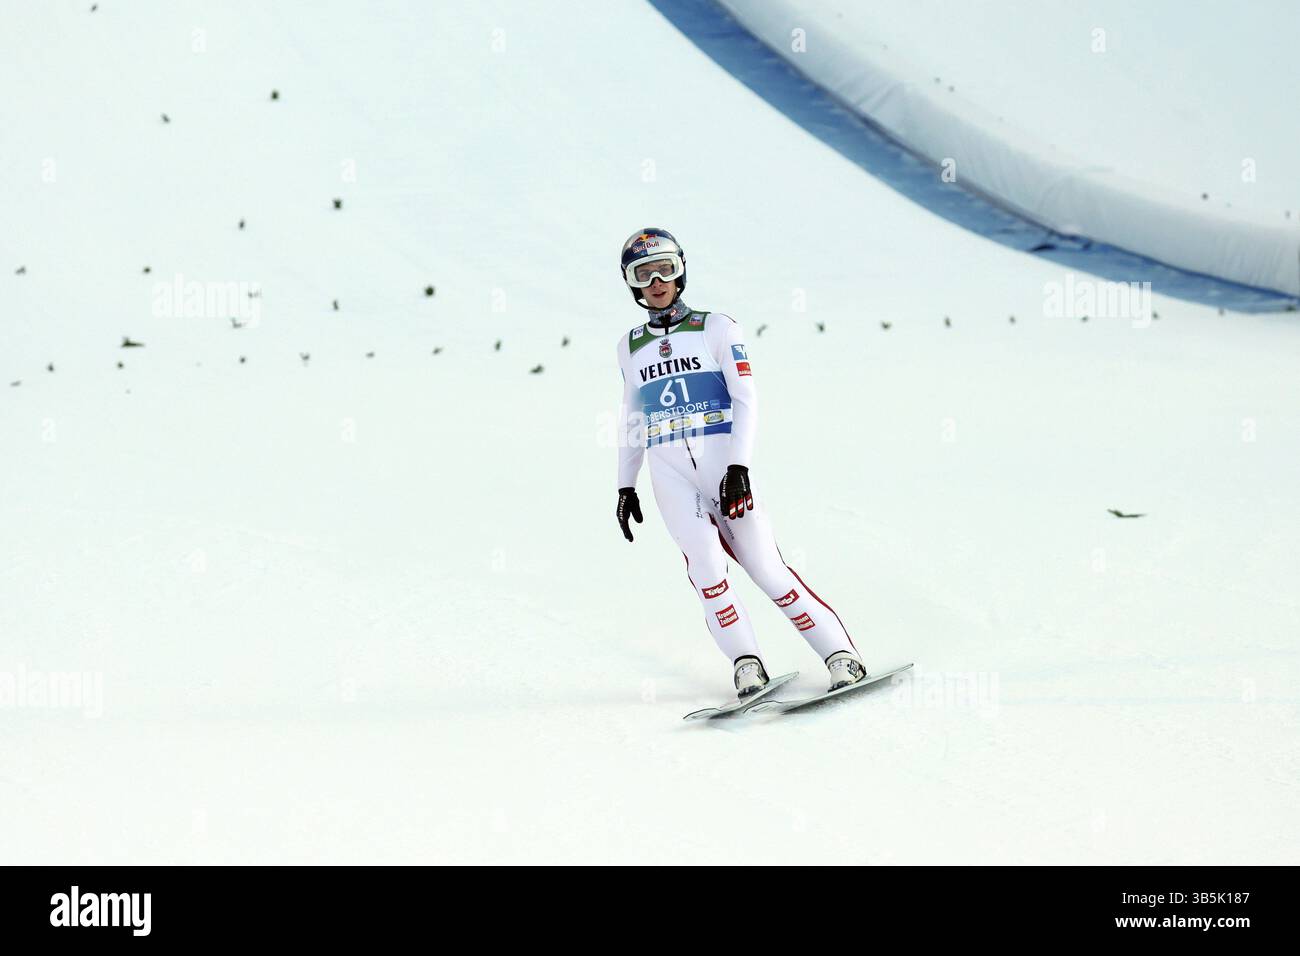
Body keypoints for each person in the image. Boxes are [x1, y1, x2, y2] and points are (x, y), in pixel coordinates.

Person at [613, 227, 866, 699]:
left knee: (765, 567)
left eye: (665, 269)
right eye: (643, 274)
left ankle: (840, 656)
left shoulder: (717, 327)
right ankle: (747, 666)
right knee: (706, 570)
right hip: (669, 473)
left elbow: (746, 397)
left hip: (722, 465)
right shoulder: (630, 345)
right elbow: (632, 416)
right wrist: (625, 485)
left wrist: (739, 466)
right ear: (631, 283)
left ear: (681, 270)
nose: (656, 281)